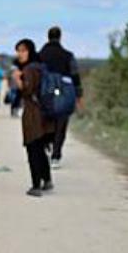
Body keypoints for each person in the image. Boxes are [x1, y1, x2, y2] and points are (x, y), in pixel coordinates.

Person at [38, 26, 83, 169]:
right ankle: (56, 156)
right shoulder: (68, 55)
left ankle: (46, 145)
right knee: (61, 123)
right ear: (60, 37)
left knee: (44, 120)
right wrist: (78, 95)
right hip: (62, 91)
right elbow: (75, 75)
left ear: (48, 37)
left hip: (47, 91)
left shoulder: (39, 55)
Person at [15, 39, 55, 197]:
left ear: (30, 51)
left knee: (33, 149)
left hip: (33, 114)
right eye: (18, 51)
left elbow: (26, 90)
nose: (20, 54)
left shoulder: (29, 70)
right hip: (45, 114)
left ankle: (36, 185)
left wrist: (18, 79)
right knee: (40, 148)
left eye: (23, 50)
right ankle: (47, 180)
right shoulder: (41, 67)